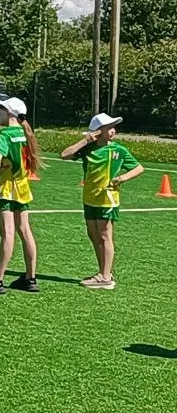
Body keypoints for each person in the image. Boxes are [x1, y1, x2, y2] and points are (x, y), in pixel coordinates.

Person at [60, 113, 144, 290]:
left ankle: (105, 277)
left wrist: (121, 178)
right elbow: (64, 154)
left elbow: (138, 168)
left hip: (108, 198)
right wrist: (86, 140)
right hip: (90, 198)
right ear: (98, 131)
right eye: (109, 128)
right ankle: (103, 272)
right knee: (93, 234)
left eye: (114, 127)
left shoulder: (118, 150)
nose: (113, 131)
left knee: (105, 234)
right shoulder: (88, 149)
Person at [0, 98, 42, 295]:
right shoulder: (24, 133)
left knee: (8, 233)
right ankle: (30, 277)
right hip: (22, 187)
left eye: (1, 110)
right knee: (25, 231)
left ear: (10, 114)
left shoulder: (5, 133)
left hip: (5, 187)